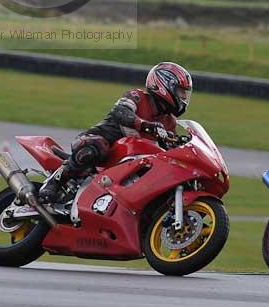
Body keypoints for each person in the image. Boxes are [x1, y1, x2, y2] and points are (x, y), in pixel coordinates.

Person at [39, 61, 193, 204]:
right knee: (97, 146)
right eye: (180, 91)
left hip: (127, 163)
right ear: (164, 84)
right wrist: (146, 125)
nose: (184, 97)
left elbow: (168, 148)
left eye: (185, 93)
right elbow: (120, 112)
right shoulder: (137, 97)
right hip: (97, 143)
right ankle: (55, 181)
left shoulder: (169, 122)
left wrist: (183, 144)